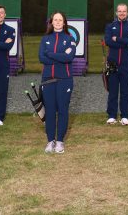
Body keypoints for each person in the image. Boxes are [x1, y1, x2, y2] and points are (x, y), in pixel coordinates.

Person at [39, 11, 76, 153]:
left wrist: (50, 54)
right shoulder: (45, 39)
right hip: (47, 80)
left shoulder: (69, 38)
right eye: (55, 20)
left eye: (60, 20)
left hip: (64, 80)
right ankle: (50, 141)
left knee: (62, 110)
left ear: (64, 22)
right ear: (51, 22)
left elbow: (69, 57)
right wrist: (60, 55)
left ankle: (60, 141)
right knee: (49, 111)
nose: (58, 22)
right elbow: (42, 58)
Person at [104, 3, 128, 126]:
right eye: (119, 11)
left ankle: (125, 116)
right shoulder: (110, 27)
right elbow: (108, 41)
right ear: (116, 13)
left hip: (127, 65)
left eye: (124, 11)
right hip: (113, 64)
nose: (122, 13)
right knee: (113, 91)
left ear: (127, 13)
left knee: (126, 91)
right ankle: (112, 115)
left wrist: (117, 39)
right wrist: (125, 41)